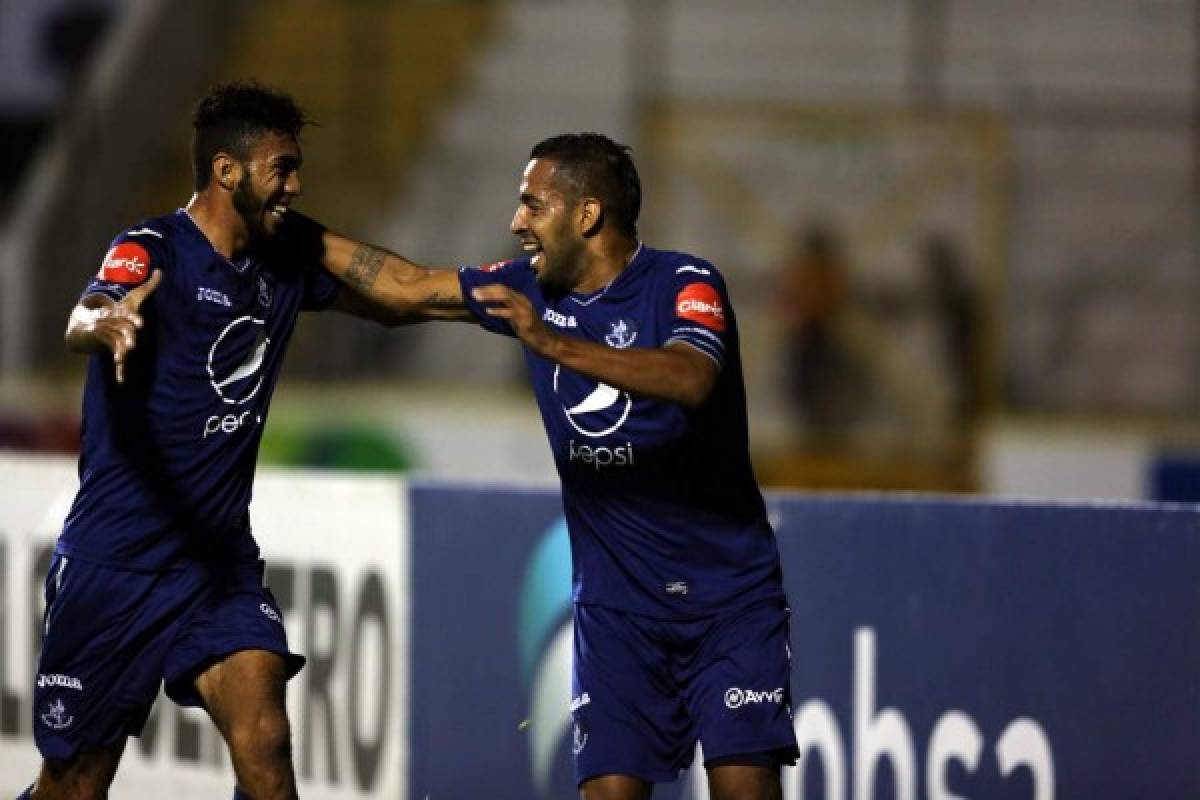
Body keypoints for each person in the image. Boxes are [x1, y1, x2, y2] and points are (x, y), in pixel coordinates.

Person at [315, 133, 800, 800]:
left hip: (729, 604)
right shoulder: (525, 288)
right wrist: (289, 237)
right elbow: (407, 289)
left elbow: (690, 378)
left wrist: (553, 342)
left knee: (745, 789)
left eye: (532, 206)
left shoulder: (686, 283)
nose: (516, 223)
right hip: (616, 612)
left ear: (587, 214)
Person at [20, 81, 395, 800]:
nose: (297, 183)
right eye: (283, 167)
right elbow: (86, 311)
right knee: (74, 783)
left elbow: (398, 292)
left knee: (266, 741)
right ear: (228, 170)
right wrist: (105, 324)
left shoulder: (281, 260)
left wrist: (502, 299)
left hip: (217, 568)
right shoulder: (150, 248)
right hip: (115, 564)